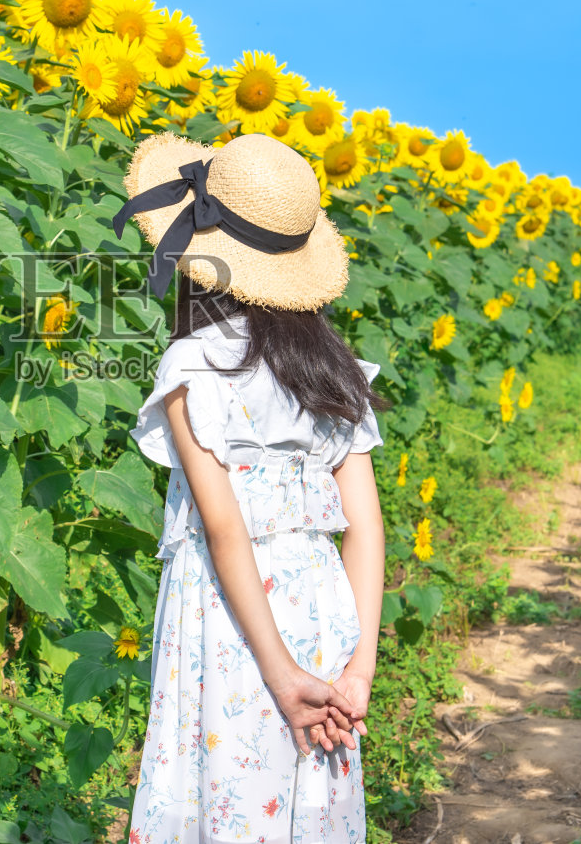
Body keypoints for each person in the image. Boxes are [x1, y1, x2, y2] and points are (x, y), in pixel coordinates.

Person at [113, 131, 388, 843]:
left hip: (235, 622)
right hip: (325, 611)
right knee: (308, 793)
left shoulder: (193, 367)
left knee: (229, 789)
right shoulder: (335, 372)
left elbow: (225, 528)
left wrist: (280, 671)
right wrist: (359, 667)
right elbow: (365, 525)